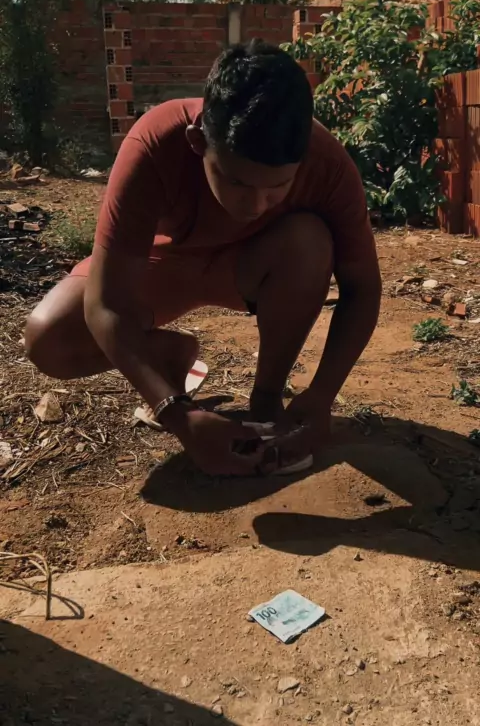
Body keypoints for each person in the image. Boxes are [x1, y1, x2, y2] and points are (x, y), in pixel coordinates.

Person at [25, 40, 381, 477]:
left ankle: (266, 399)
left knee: (309, 241)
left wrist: (322, 395)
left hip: (254, 266)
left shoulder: (327, 163)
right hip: (161, 265)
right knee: (48, 342)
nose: (256, 204)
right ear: (198, 142)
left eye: (277, 187)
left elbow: (363, 288)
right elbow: (106, 304)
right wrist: (176, 413)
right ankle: (170, 355)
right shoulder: (155, 141)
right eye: (237, 182)